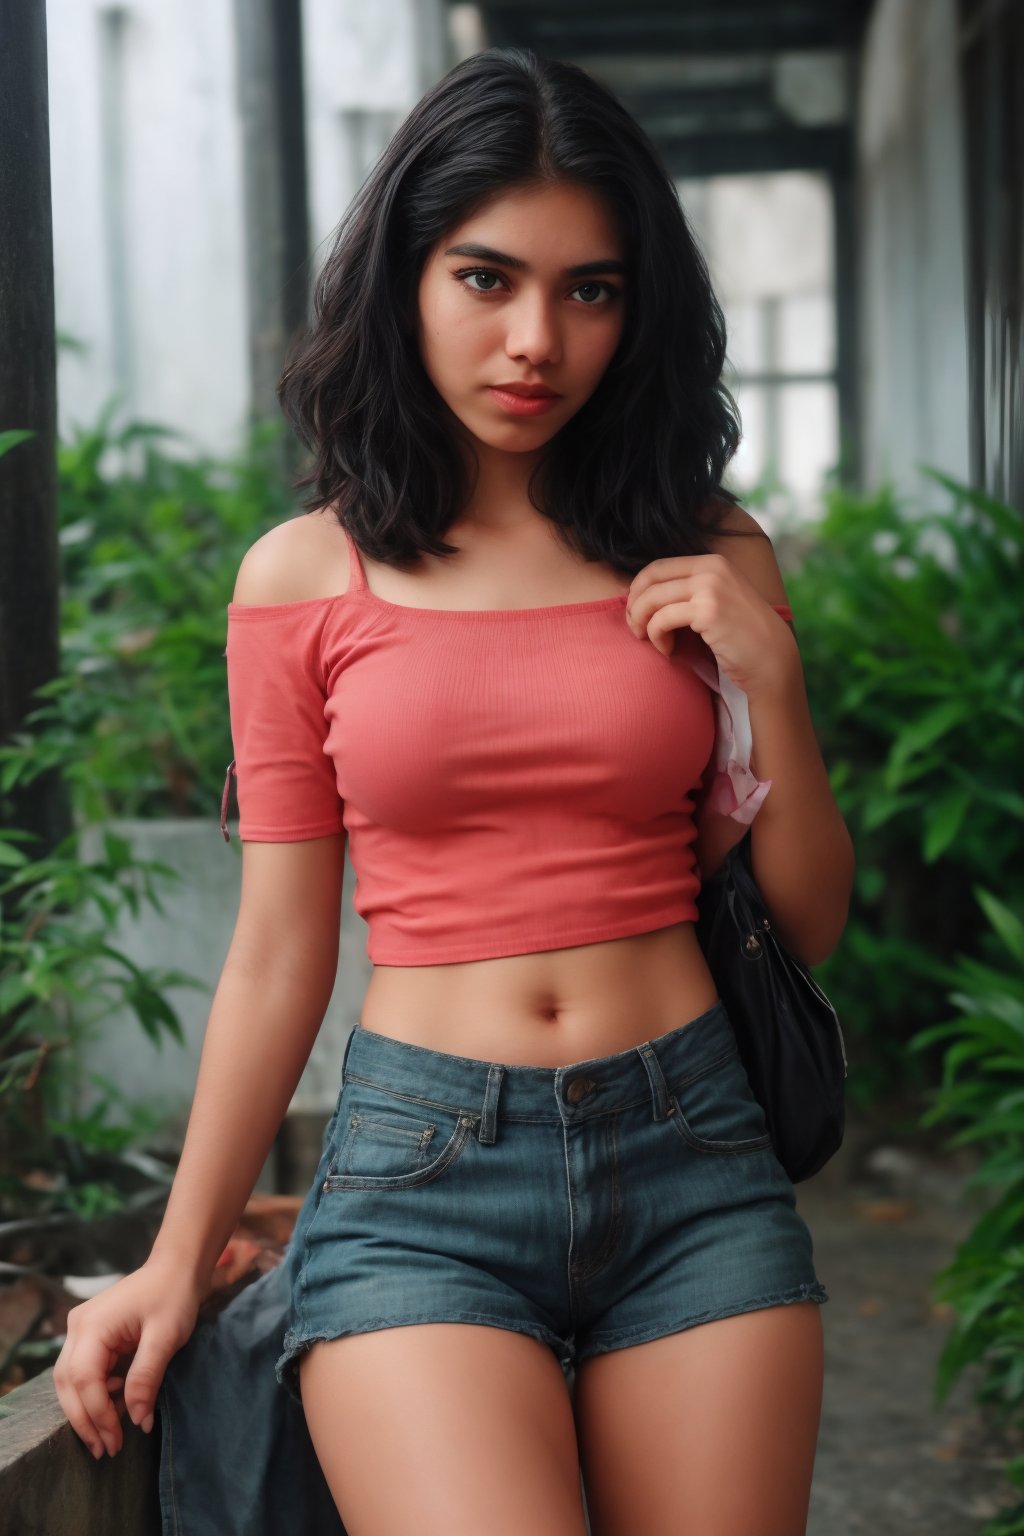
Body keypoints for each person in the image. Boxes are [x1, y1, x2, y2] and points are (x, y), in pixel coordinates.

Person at [53, 44, 854, 1536]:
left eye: (590, 289)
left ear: (640, 308)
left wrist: (774, 687)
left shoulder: (709, 553)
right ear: (406, 280)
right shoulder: (303, 581)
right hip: (423, 1181)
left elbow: (804, 920)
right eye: (487, 279)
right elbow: (282, 949)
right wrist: (181, 1252)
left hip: (692, 1151)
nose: (536, 338)